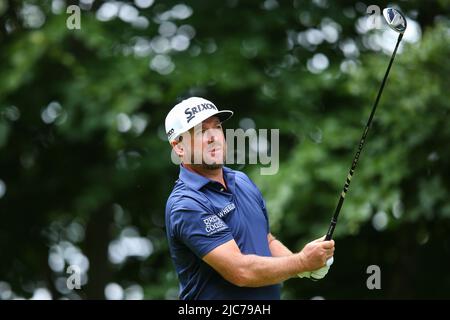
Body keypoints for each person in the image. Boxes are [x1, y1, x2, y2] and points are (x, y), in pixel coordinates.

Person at [164, 97, 335, 300]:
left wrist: (305, 267)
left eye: (217, 127)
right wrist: (301, 262)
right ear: (179, 147)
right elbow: (241, 271)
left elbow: (266, 241)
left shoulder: (241, 181)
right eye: (201, 131)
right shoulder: (186, 204)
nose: (213, 137)